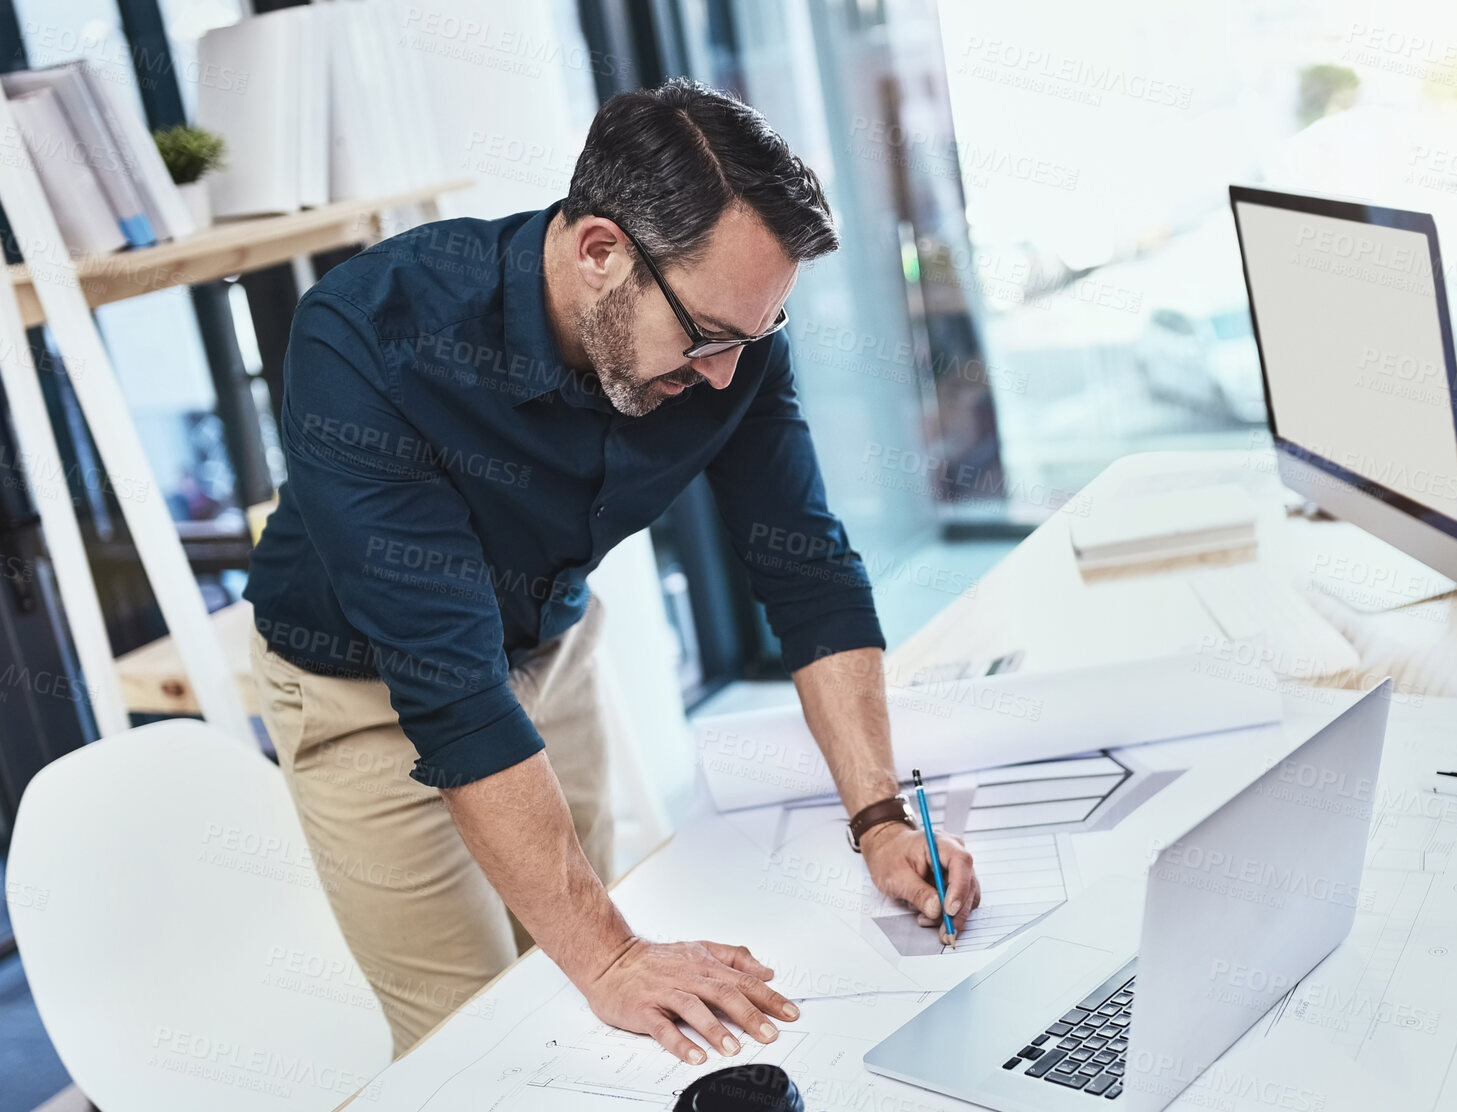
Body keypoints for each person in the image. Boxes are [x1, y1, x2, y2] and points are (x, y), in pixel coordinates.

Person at [243, 78, 981, 1065]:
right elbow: (451, 689)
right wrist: (614, 953)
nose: (727, 374)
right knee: (476, 1048)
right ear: (601, 253)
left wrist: (879, 818)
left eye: (754, 339)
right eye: (709, 337)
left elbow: (805, 567)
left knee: (580, 1016)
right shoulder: (369, 336)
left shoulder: (733, 334)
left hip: (546, 651)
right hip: (360, 690)